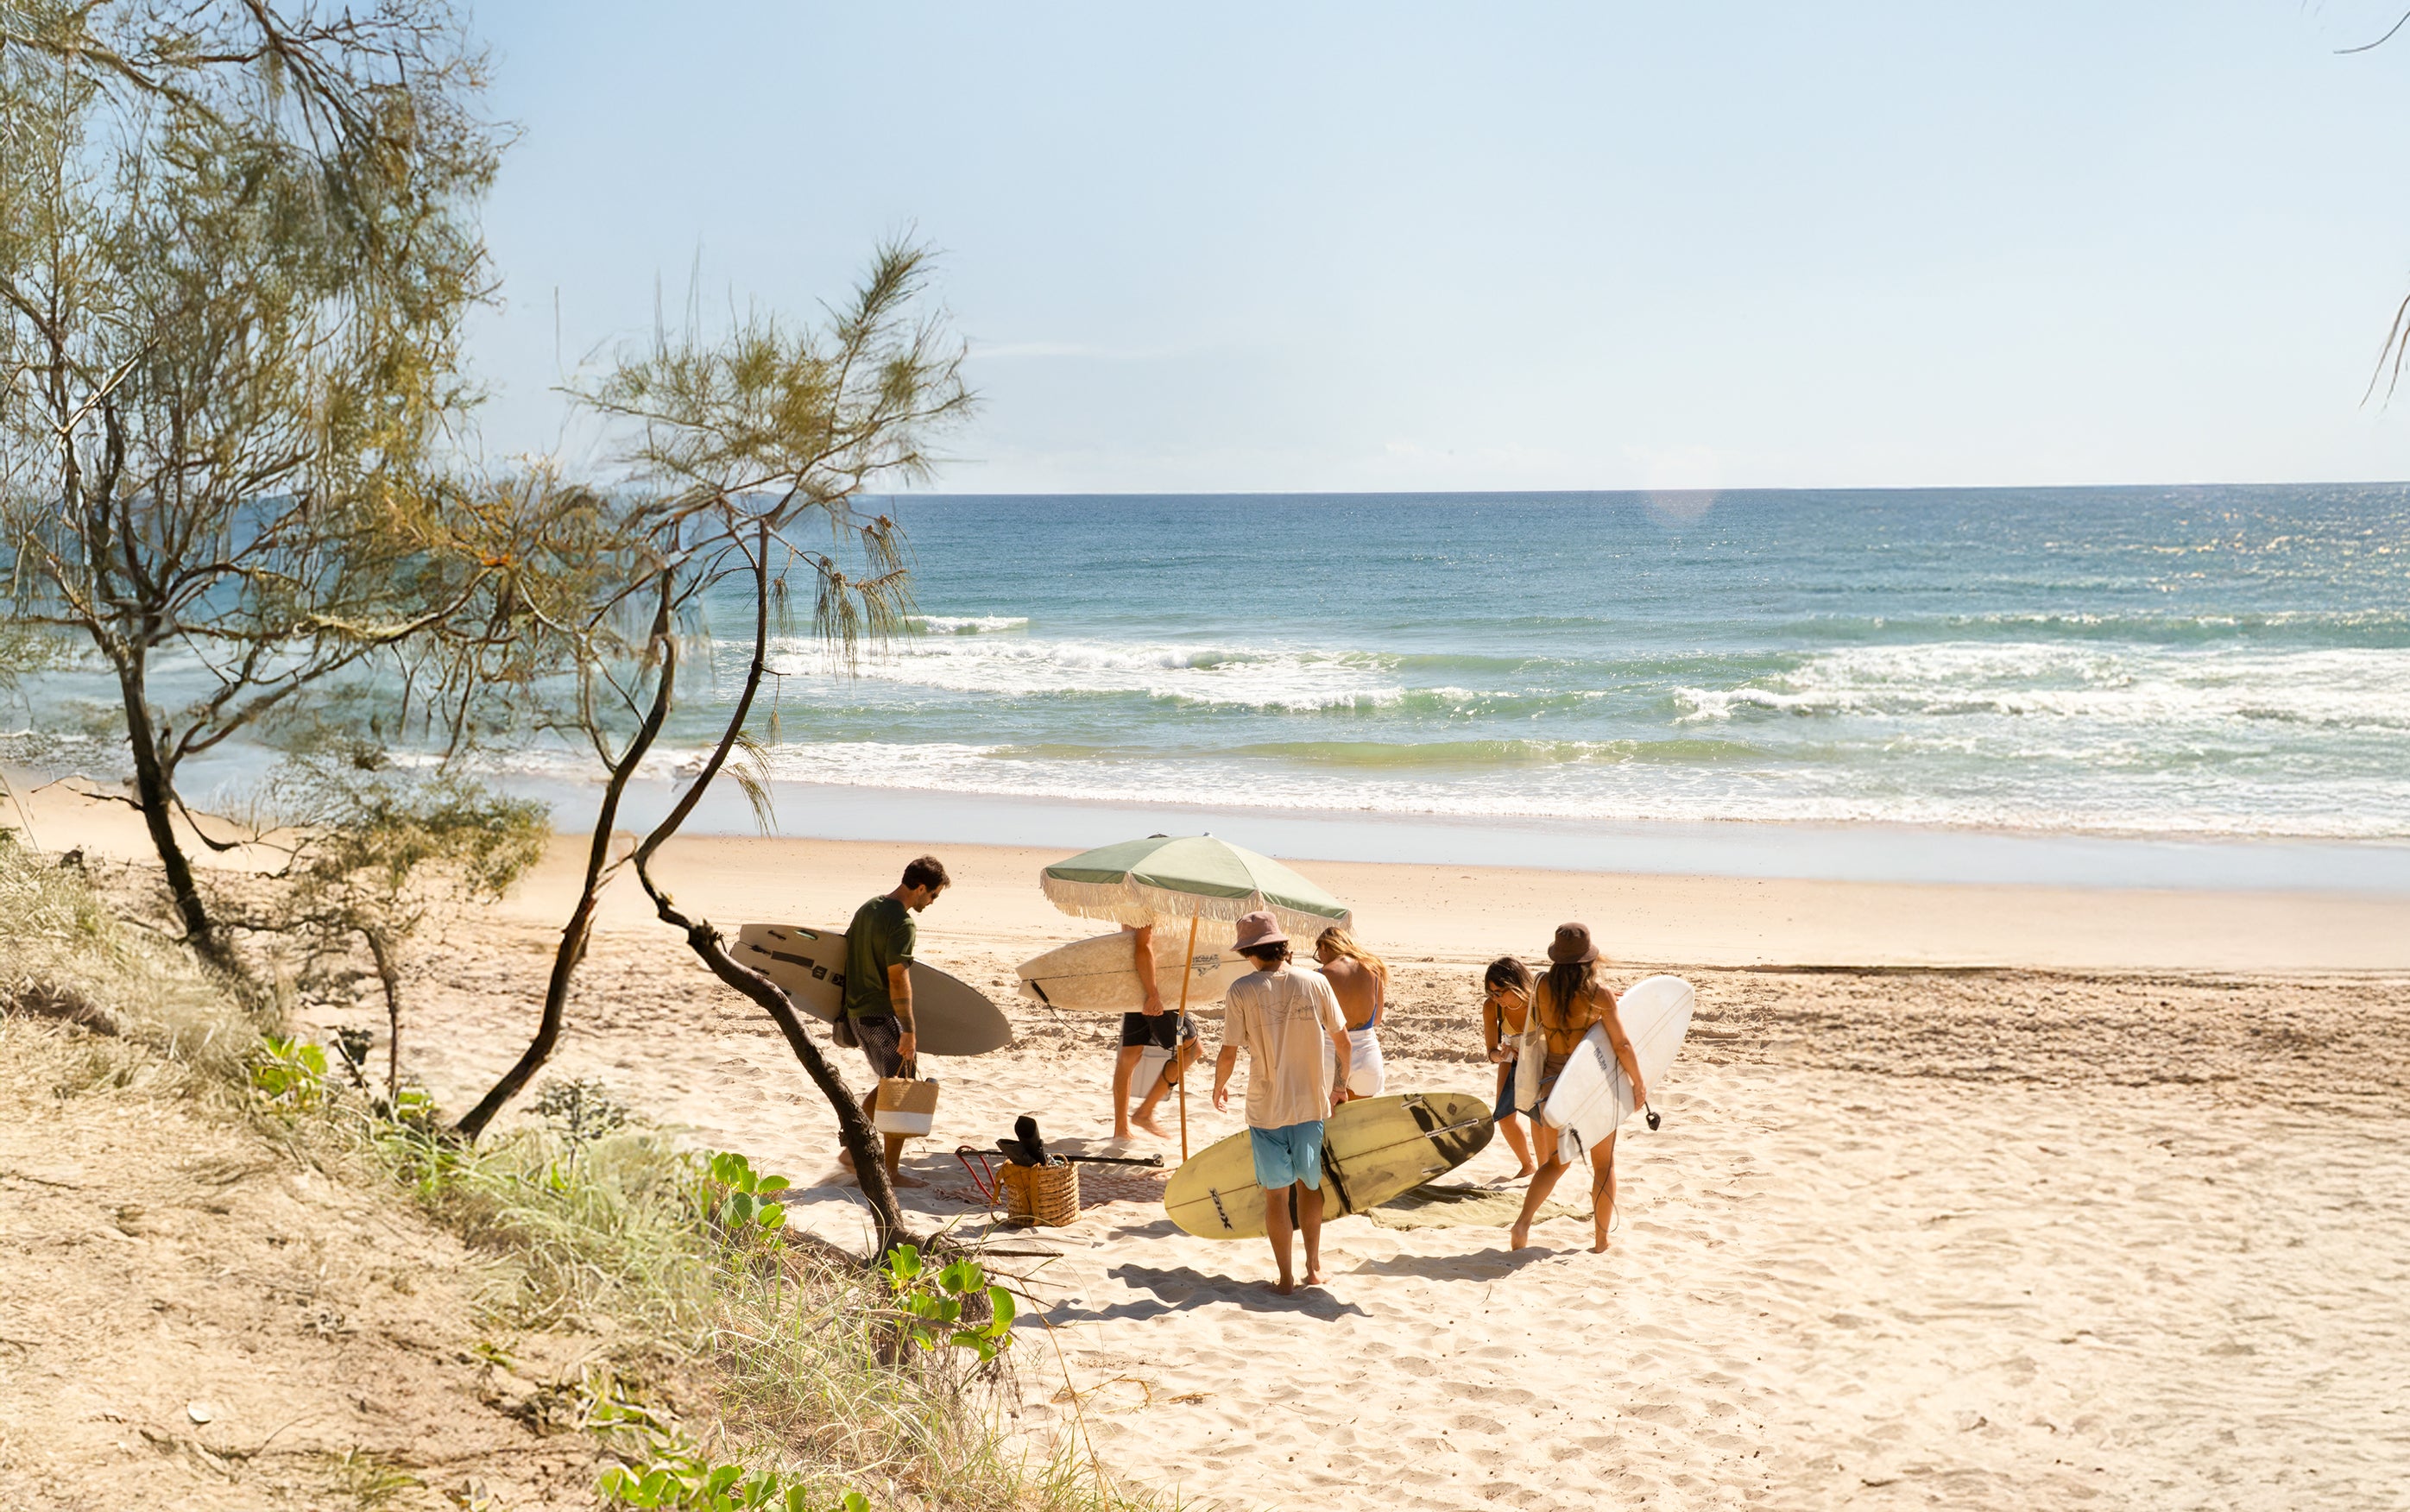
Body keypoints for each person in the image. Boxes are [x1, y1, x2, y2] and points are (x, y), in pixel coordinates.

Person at [1211, 910, 1353, 1295]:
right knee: (1310, 1185)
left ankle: (1286, 1279)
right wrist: (1339, 1086)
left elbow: (1228, 1051)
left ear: (1248, 952)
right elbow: (1344, 1043)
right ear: (1282, 945)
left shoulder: (1241, 990)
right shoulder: (1315, 982)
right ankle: (1314, 1269)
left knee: (1276, 1196)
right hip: (1310, 1104)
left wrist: (1219, 1086)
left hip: (1265, 1108)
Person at [1507, 923, 1644, 1253]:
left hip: (1552, 1088)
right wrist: (1638, 1083)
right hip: (1590, 1088)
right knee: (1603, 1165)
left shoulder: (1541, 986)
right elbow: (1622, 1045)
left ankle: (1522, 1224)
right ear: (1590, 958)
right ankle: (1601, 1240)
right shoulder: (1599, 995)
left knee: (1555, 1164)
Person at [836, 854, 949, 1189]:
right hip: (880, 1012)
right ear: (921, 888)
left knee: (890, 1083)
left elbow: (843, 951)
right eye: (933, 895)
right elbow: (898, 978)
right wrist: (909, 1030)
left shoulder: (868, 908)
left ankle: (852, 1148)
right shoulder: (902, 923)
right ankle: (890, 1171)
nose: (932, 902)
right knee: (903, 1086)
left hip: (856, 1012)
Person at [1111, 923, 1201, 1139]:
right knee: (1192, 1050)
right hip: (1156, 986)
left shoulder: (1133, 904)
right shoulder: (1148, 906)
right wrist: (1153, 994)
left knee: (1129, 1056)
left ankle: (1121, 1130)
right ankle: (1144, 1113)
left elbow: (1133, 941)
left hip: (1136, 980)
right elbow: (1143, 945)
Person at [1479, 956, 1538, 1177]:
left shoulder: (1539, 1000)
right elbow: (1491, 1052)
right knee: (1504, 1117)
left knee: (1538, 1118)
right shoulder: (1492, 1007)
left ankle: (1544, 1169)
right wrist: (1500, 1055)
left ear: (1515, 984)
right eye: (1491, 993)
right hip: (1511, 1055)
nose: (1495, 998)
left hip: (1541, 1055)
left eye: (1499, 992)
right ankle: (1527, 1165)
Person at [1313, 925, 1387, 1099]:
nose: (1320, 959)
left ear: (1324, 946)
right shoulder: (1373, 969)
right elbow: (1377, 1019)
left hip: (1330, 1054)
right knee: (1361, 1115)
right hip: (1367, 1054)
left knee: (1329, 1116)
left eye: (1318, 953)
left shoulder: (1320, 975)